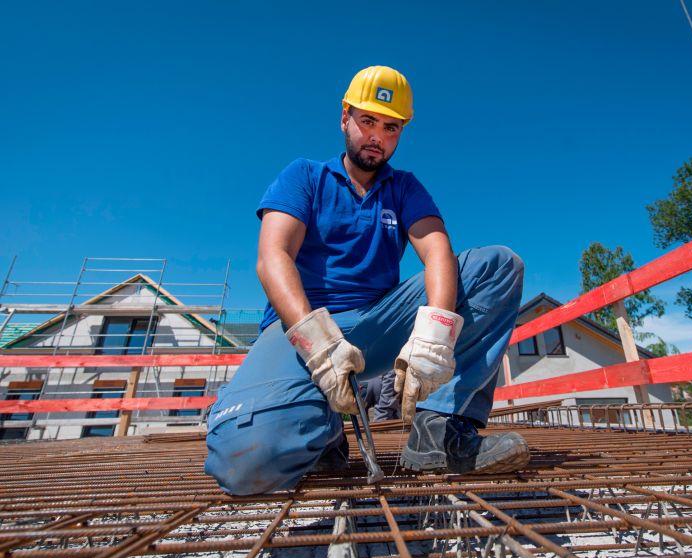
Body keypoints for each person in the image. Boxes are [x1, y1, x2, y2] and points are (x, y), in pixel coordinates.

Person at [205, 65, 529, 495]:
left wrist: (435, 334)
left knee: (496, 265)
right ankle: (320, 432)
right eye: (368, 121)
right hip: (302, 330)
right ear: (345, 117)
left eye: (391, 127)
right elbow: (272, 257)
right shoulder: (305, 176)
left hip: (379, 323)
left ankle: (440, 431)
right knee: (247, 462)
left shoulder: (404, 188)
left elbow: (437, 251)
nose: (377, 136)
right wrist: (318, 343)